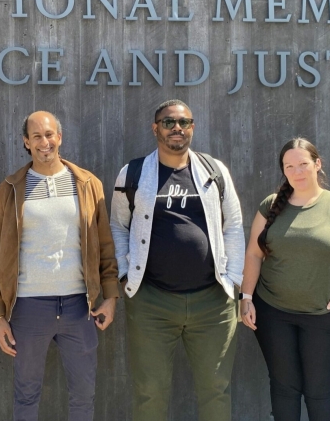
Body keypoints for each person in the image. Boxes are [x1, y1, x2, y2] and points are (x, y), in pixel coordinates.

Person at [110, 99, 246, 421]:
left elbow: (235, 224)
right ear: (155, 128)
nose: (177, 129)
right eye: (168, 122)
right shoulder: (134, 172)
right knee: (150, 392)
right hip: (151, 302)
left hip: (212, 303)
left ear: (192, 128)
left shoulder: (214, 171)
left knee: (216, 388)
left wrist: (234, 281)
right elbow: (118, 224)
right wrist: (126, 274)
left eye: (184, 123)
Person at [0, 110, 120, 421]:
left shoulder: (87, 184)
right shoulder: (10, 188)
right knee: (26, 394)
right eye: (36, 136)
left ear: (59, 137)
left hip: (79, 306)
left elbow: (104, 245)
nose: (44, 142)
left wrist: (111, 297)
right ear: (26, 142)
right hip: (28, 307)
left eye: (49, 135)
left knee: (83, 395)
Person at [239, 137, 330, 421]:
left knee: (318, 389)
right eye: (289, 166)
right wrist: (247, 298)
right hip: (273, 314)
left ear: (317, 164)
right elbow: (253, 254)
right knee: (284, 387)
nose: (297, 172)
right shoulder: (270, 205)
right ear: (283, 170)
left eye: (303, 164)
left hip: (324, 316)